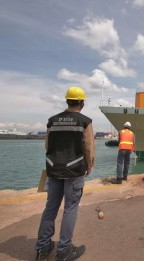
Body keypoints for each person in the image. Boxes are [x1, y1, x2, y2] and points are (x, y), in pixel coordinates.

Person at [35, 86, 95, 261]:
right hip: (74, 171)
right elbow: (88, 147)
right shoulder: (85, 121)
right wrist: (89, 165)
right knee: (70, 209)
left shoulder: (52, 120)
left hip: (53, 169)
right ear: (82, 103)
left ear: (67, 100)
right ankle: (64, 250)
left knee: (50, 208)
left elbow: (47, 145)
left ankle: (42, 248)